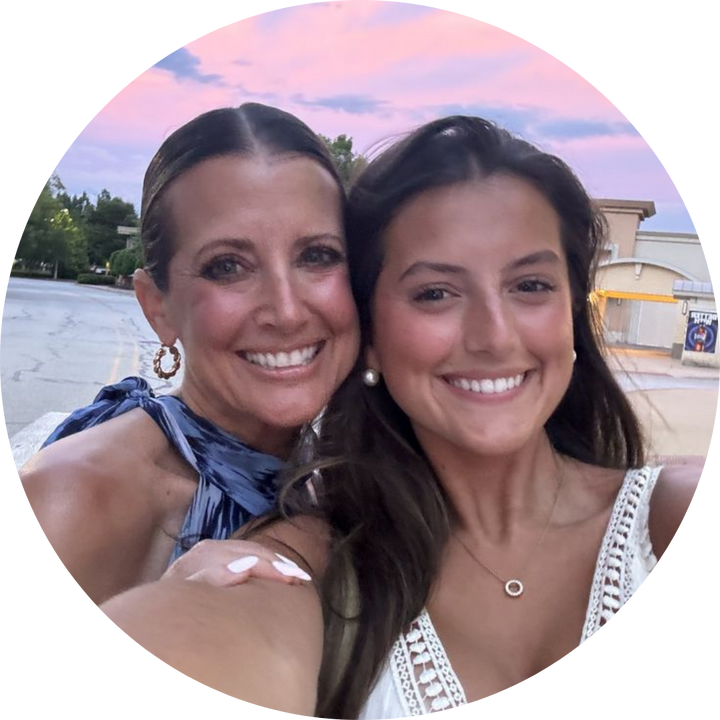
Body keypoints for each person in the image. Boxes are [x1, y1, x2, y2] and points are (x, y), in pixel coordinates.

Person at [98, 115, 702, 717]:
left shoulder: (669, 514)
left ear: (571, 311)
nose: (494, 336)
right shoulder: (311, 563)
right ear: (371, 337)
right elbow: (217, 636)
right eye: (435, 293)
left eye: (530, 285)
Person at [17, 103, 360, 606]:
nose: (286, 312)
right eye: (227, 266)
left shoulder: (343, 474)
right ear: (157, 307)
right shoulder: (74, 497)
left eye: (317, 256)